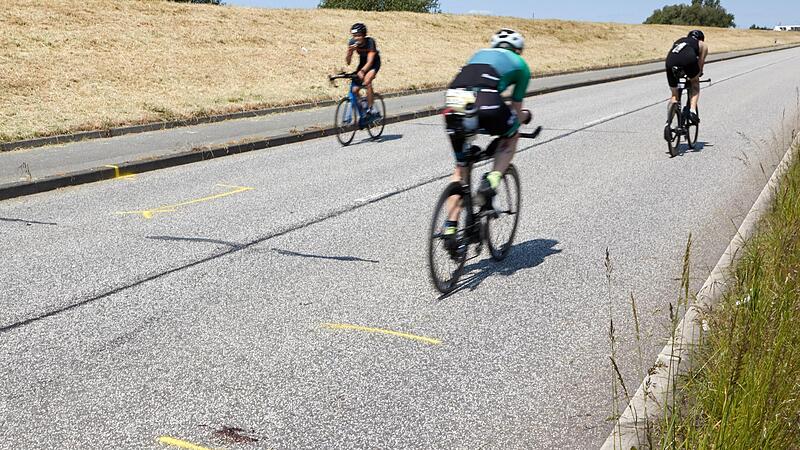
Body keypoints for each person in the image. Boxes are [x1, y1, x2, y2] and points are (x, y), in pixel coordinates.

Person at [441, 29, 532, 241]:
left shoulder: (477, 55)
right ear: (518, 49)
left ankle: (450, 229)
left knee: (460, 169)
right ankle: (491, 181)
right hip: (487, 101)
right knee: (512, 135)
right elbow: (517, 110)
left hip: (453, 100)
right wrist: (525, 117)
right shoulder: (521, 64)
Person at [665, 29, 708, 138]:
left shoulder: (679, 41)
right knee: (695, 83)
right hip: (688, 59)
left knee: (674, 95)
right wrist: (697, 75)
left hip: (670, 61)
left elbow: (677, 54)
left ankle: (668, 123)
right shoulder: (702, 44)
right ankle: (692, 111)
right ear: (701, 39)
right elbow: (700, 64)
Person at [346, 23, 381, 121]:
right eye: (354, 36)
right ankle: (363, 107)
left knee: (367, 81)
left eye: (359, 36)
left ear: (364, 35)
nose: (356, 38)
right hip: (362, 62)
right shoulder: (352, 42)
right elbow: (348, 62)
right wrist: (349, 52)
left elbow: (370, 61)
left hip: (374, 62)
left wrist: (362, 71)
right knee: (355, 90)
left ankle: (371, 109)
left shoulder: (370, 42)